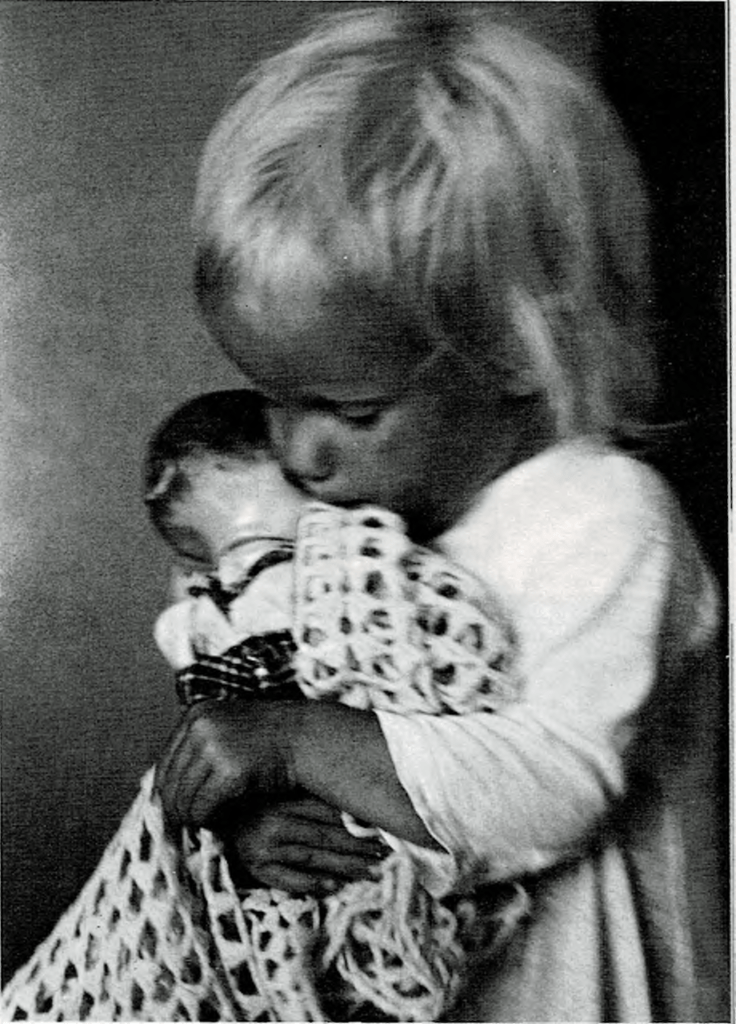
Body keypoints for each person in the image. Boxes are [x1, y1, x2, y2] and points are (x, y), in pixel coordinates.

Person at [1, 6, 722, 1021]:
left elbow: (550, 789)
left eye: (350, 411)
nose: (298, 452)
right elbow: (321, 742)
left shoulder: (603, 518)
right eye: (274, 401)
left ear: (518, 350)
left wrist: (297, 740)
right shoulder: (351, 536)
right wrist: (262, 822)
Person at [147, 389, 525, 1022]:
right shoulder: (204, 626)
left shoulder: (400, 582)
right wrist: (239, 823)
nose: (258, 581)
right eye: (229, 561)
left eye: (287, 548)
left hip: (435, 880)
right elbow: (207, 775)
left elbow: (490, 755)